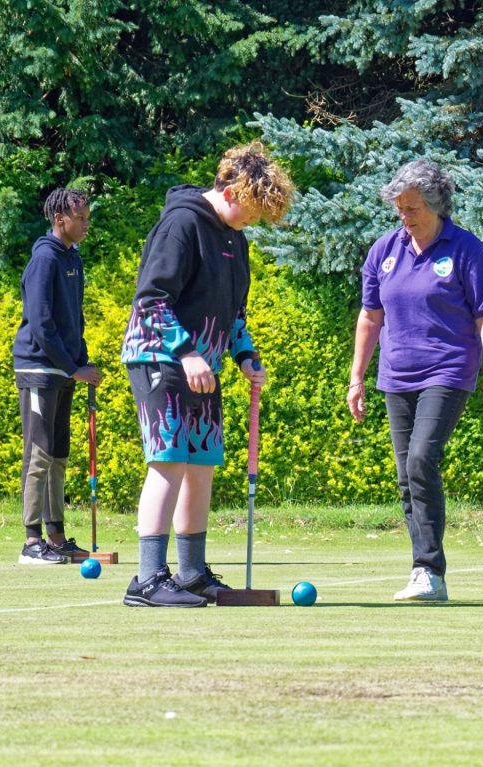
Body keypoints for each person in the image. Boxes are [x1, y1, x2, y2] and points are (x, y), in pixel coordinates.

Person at [120, 141, 294, 607]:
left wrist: (245, 355)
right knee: (170, 459)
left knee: (201, 464)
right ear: (233, 190)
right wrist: (188, 353)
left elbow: (233, 312)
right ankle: (147, 580)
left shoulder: (234, 238)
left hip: (205, 364)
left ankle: (192, 573)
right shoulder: (182, 225)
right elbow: (151, 299)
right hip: (161, 356)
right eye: (253, 211)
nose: (253, 222)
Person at [347, 158, 483, 602]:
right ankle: (423, 571)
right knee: (407, 475)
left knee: (421, 458)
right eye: (399, 209)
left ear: (437, 205)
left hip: (448, 369)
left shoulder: (465, 249)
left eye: (412, 208)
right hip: (395, 375)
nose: (405, 217)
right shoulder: (384, 251)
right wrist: (356, 378)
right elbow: (370, 316)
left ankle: (429, 570)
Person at [13, 188, 104, 564]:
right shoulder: (44, 260)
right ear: (59, 219)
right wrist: (73, 368)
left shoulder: (73, 258)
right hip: (38, 368)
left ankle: (56, 536)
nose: (86, 225)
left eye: (86, 218)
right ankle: (32, 542)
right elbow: (41, 322)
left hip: (64, 367)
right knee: (38, 452)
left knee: (59, 454)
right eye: (80, 219)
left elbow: (74, 318)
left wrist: (81, 364)